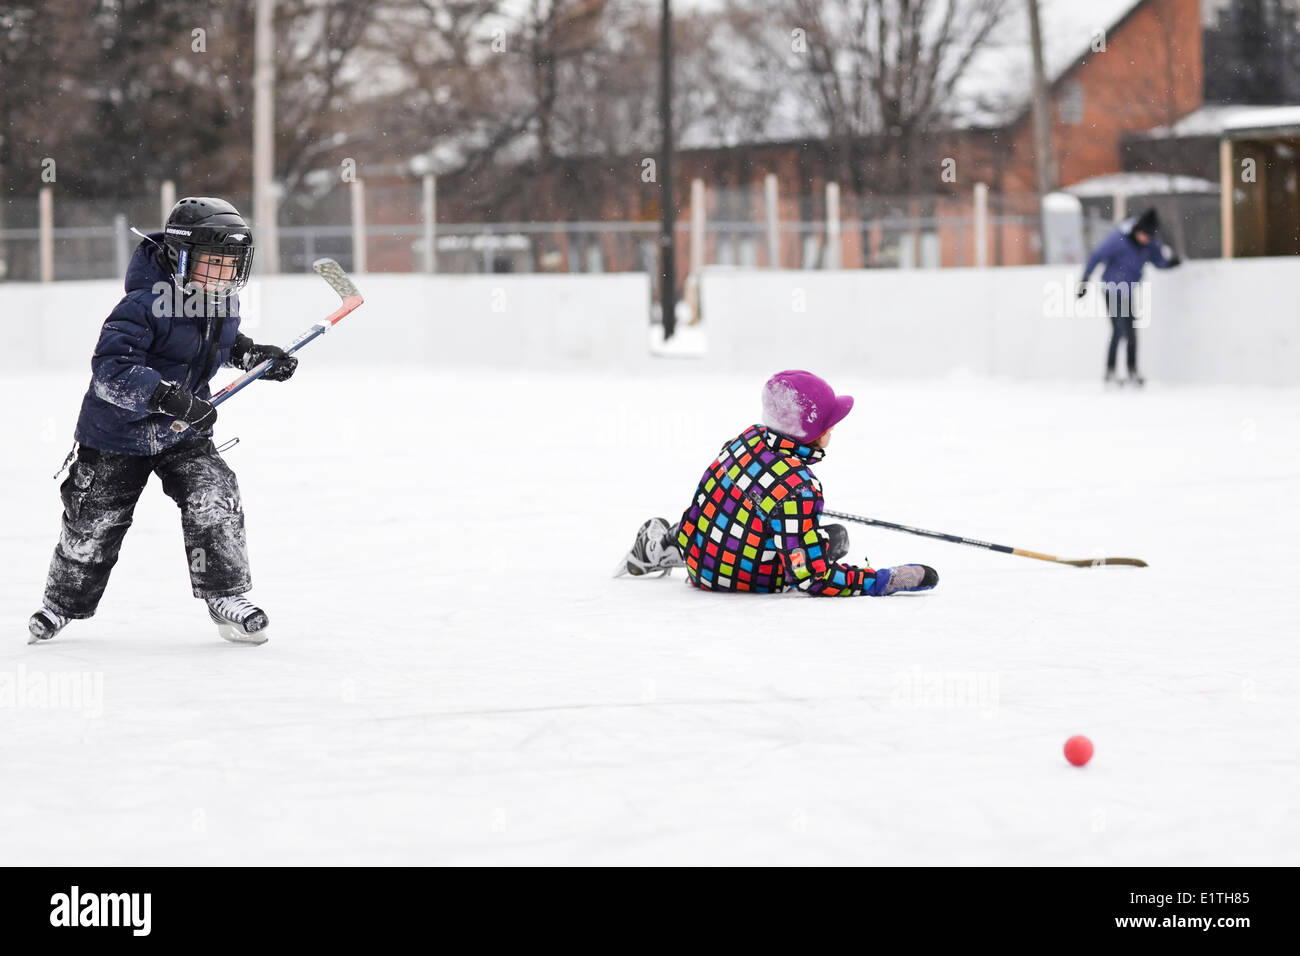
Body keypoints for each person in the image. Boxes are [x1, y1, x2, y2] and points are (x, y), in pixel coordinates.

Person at [27, 197, 298, 646]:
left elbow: (217, 346)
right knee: (94, 522)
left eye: (231, 266)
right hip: (117, 434)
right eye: (213, 264)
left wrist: (253, 356)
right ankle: (61, 605)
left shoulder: (219, 302)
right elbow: (111, 371)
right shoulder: (142, 304)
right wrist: (166, 398)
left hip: (184, 435)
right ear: (180, 255)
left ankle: (225, 595)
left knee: (214, 495)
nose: (223, 276)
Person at [618, 370, 938, 597]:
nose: (834, 429)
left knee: (730, 516)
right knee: (835, 538)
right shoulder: (799, 487)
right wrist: (883, 581)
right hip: (743, 580)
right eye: (830, 424)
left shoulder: (747, 438)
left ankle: (664, 546)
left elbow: (723, 491)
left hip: (699, 557)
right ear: (812, 433)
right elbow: (811, 579)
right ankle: (782, 554)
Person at [1077, 206, 1182, 386]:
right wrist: (1085, 280)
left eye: (1149, 236)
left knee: (1131, 331)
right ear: (1136, 230)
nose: (1145, 239)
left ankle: (1132, 370)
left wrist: (1170, 263)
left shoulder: (1150, 243)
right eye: (1143, 235)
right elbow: (1096, 256)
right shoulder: (1119, 239)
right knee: (1119, 329)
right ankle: (1110, 372)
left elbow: (1158, 262)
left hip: (1128, 290)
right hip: (1111, 288)